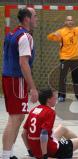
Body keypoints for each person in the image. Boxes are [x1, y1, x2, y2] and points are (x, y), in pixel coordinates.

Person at [1, 7, 38, 159]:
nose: (37, 18)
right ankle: (5, 155)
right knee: (15, 118)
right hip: (17, 80)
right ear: (27, 19)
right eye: (35, 16)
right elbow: (24, 64)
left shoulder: (11, 34)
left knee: (18, 117)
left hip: (8, 78)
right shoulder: (25, 37)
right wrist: (33, 88)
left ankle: (8, 153)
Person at [47, 14, 78, 102]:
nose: (70, 21)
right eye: (68, 20)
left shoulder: (77, 30)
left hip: (76, 58)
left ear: (73, 22)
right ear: (65, 22)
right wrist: (54, 34)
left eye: (71, 20)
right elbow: (49, 37)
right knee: (62, 78)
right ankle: (61, 96)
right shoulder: (61, 32)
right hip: (65, 58)